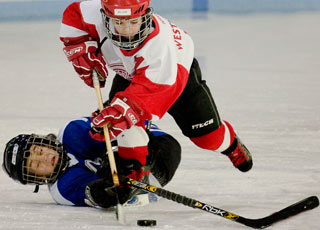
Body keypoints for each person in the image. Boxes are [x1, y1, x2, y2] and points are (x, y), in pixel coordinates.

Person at [60, 0, 252, 174]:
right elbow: (74, 16)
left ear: (146, 15)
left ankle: (231, 145)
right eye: (119, 23)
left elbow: (151, 93)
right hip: (133, 74)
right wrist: (81, 48)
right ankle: (135, 177)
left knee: (208, 139)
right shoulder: (97, 13)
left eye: (133, 22)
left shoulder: (160, 49)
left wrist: (123, 111)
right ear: (106, 15)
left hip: (176, 79)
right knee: (126, 130)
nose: (126, 30)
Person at [2, 117, 181, 208]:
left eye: (39, 151)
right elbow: (92, 194)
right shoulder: (62, 190)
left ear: (43, 142)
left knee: (127, 133)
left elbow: (113, 129)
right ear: (36, 178)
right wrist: (105, 191)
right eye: (37, 166)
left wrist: (114, 161)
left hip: (154, 143)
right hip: (150, 176)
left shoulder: (71, 131)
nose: (45, 159)